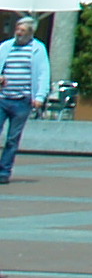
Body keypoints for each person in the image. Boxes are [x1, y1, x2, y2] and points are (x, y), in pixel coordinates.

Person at [0, 17, 47, 183]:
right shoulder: (6, 47)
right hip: (2, 98)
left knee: (12, 139)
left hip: (22, 101)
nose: (18, 33)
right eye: (17, 30)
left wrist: (40, 96)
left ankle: (3, 172)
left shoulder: (37, 49)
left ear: (30, 33)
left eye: (22, 31)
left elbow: (43, 74)